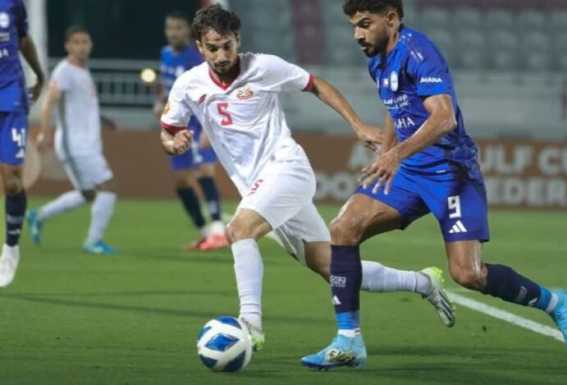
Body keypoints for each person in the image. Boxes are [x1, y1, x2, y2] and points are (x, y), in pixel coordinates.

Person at [302, 0, 567, 370]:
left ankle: (556, 303)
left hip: (451, 173)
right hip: (408, 172)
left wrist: (395, 154)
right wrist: (387, 152)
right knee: (342, 229)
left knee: (468, 274)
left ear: (391, 19)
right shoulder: (377, 59)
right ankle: (348, 341)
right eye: (354, 26)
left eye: (365, 24)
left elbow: (444, 118)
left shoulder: (420, 52)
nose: (357, 34)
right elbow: (395, 107)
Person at [160, 4, 455, 352]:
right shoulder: (187, 85)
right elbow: (168, 130)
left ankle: (249, 325)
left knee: (239, 230)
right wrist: (173, 143)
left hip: (286, 168)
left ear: (237, 40)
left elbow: (317, 85)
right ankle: (421, 282)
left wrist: (357, 125)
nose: (223, 54)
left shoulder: (264, 66)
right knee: (331, 267)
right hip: (255, 185)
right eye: (213, 48)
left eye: (228, 45)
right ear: (200, 47)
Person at [27, 26, 117, 256]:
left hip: (86, 142)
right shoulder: (65, 71)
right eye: (76, 42)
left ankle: (39, 215)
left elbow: (82, 106)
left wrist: (103, 120)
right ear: (67, 46)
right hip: (76, 143)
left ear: (90, 45)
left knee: (88, 194)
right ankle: (93, 241)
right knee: (108, 187)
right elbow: (50, 102)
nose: (81, 46)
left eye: (85, 42)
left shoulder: (82, 71)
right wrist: (43, 133)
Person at [155, 11, 226, 251]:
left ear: (188, 31)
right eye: (170, 28)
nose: (174, 33)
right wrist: (159, 101)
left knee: (204, 171)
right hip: (177, 126)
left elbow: (212, 91)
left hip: (197, 124)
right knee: (181, 182)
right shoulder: (165, 54)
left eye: (178, 28)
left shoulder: (197, 58)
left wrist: (209, 126)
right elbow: (165, 86)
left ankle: (218, 228)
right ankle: (205, 232)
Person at [0, 0, 45, 287]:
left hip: (10, 96)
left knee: (13, 181)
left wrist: (39, 75)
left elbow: (24, 39)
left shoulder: (13, 3)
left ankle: (10, 249)